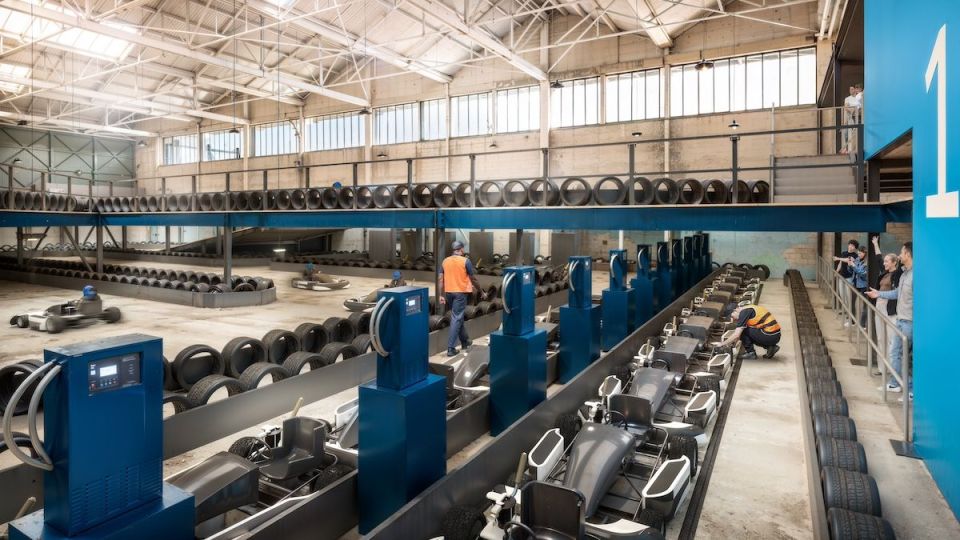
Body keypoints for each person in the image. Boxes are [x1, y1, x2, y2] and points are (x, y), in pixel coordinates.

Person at [867, 241, 912, 398]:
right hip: (895, 314)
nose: (900, 254)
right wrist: (879, 294)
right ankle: (892, 379)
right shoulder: (904, 274)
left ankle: (908, 386)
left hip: (904, 318)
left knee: (899, 350)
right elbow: (897, 293)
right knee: (891, 349)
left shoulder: (905, 274)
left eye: (901, 252)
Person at [439, 240, 485, 356]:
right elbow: (473, 279)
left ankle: (465, 341)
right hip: (460, 293)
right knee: (457, 318)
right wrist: (481, 291)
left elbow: (440, 279)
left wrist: (440, 294)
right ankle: (451, 348)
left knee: (458, 317)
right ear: (461, 249)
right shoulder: (465, 261)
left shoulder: (445, 261)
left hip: (449, 293)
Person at [870, 236, 901, 374]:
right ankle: (882, 368)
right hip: (879, 306)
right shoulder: (884, 273)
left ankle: (892, 369)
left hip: (891, 309)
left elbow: (897, 292)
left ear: (894, 263)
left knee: (891, 339)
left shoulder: (899, 274)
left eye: (887, 261)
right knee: (881, 338)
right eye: (885, 261)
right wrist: (875, 244)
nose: (884, 263)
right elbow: (878, 258)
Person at [714, 304, 781, 360]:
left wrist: (722, 344)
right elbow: (738, 336)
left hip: (770, 335)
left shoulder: (744, 313)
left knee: (744, 330)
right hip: (774, 335)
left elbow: (737, 335)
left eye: (732, 316)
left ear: (735, 310)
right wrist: (732, 343)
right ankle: (771, 347)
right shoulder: (747, 308)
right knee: (744, 330)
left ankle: (750, 353)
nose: (733, 319)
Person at [832, 239, 859, 326]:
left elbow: (848, 260)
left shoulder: (855, 255)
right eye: (850, 245)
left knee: (849, 297)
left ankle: (852, 318)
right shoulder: (844, 253)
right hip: (842, 277)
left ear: (855, 248)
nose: (851, 247)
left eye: (853, 246)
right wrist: (836, 271)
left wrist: (838, 258)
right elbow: (840, 263)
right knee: (842, 295)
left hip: (849, 278)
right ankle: (848, 313)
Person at [842, 84, 862, 154]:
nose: (851, 90)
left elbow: (860, 108)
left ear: (855, 90)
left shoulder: (858, 97)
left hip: (857, 117)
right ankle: (847, 149)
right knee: (846, 133)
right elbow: (846, 107)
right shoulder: (847, 98)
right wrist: (853, 110)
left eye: (852, 89)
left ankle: (855, 149)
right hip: (850, 118)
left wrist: (855, 110)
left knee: (856, 134)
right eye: (850, 89)